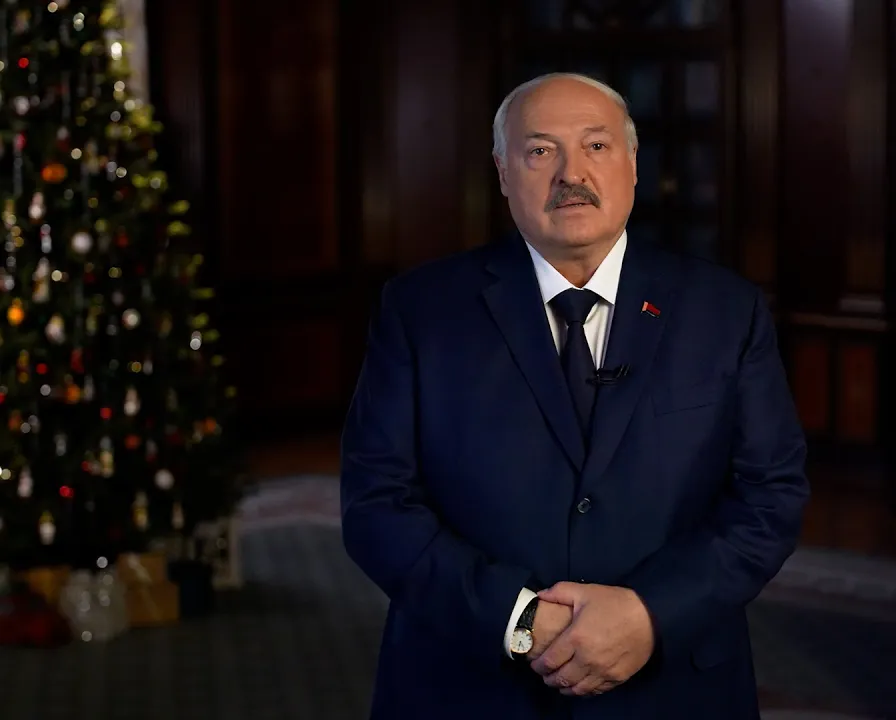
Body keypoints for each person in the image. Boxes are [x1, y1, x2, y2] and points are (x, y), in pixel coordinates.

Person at [340, 72, 809, 719]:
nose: (572, 173)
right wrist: (521, 619)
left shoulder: (726, 312)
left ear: (633, 165)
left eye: (596, 146)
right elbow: (376, 504)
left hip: (674, 689)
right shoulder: (419, 311)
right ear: (503, 173)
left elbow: (770, 496)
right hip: (470, 688)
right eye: (540, 151)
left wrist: (650, 614)